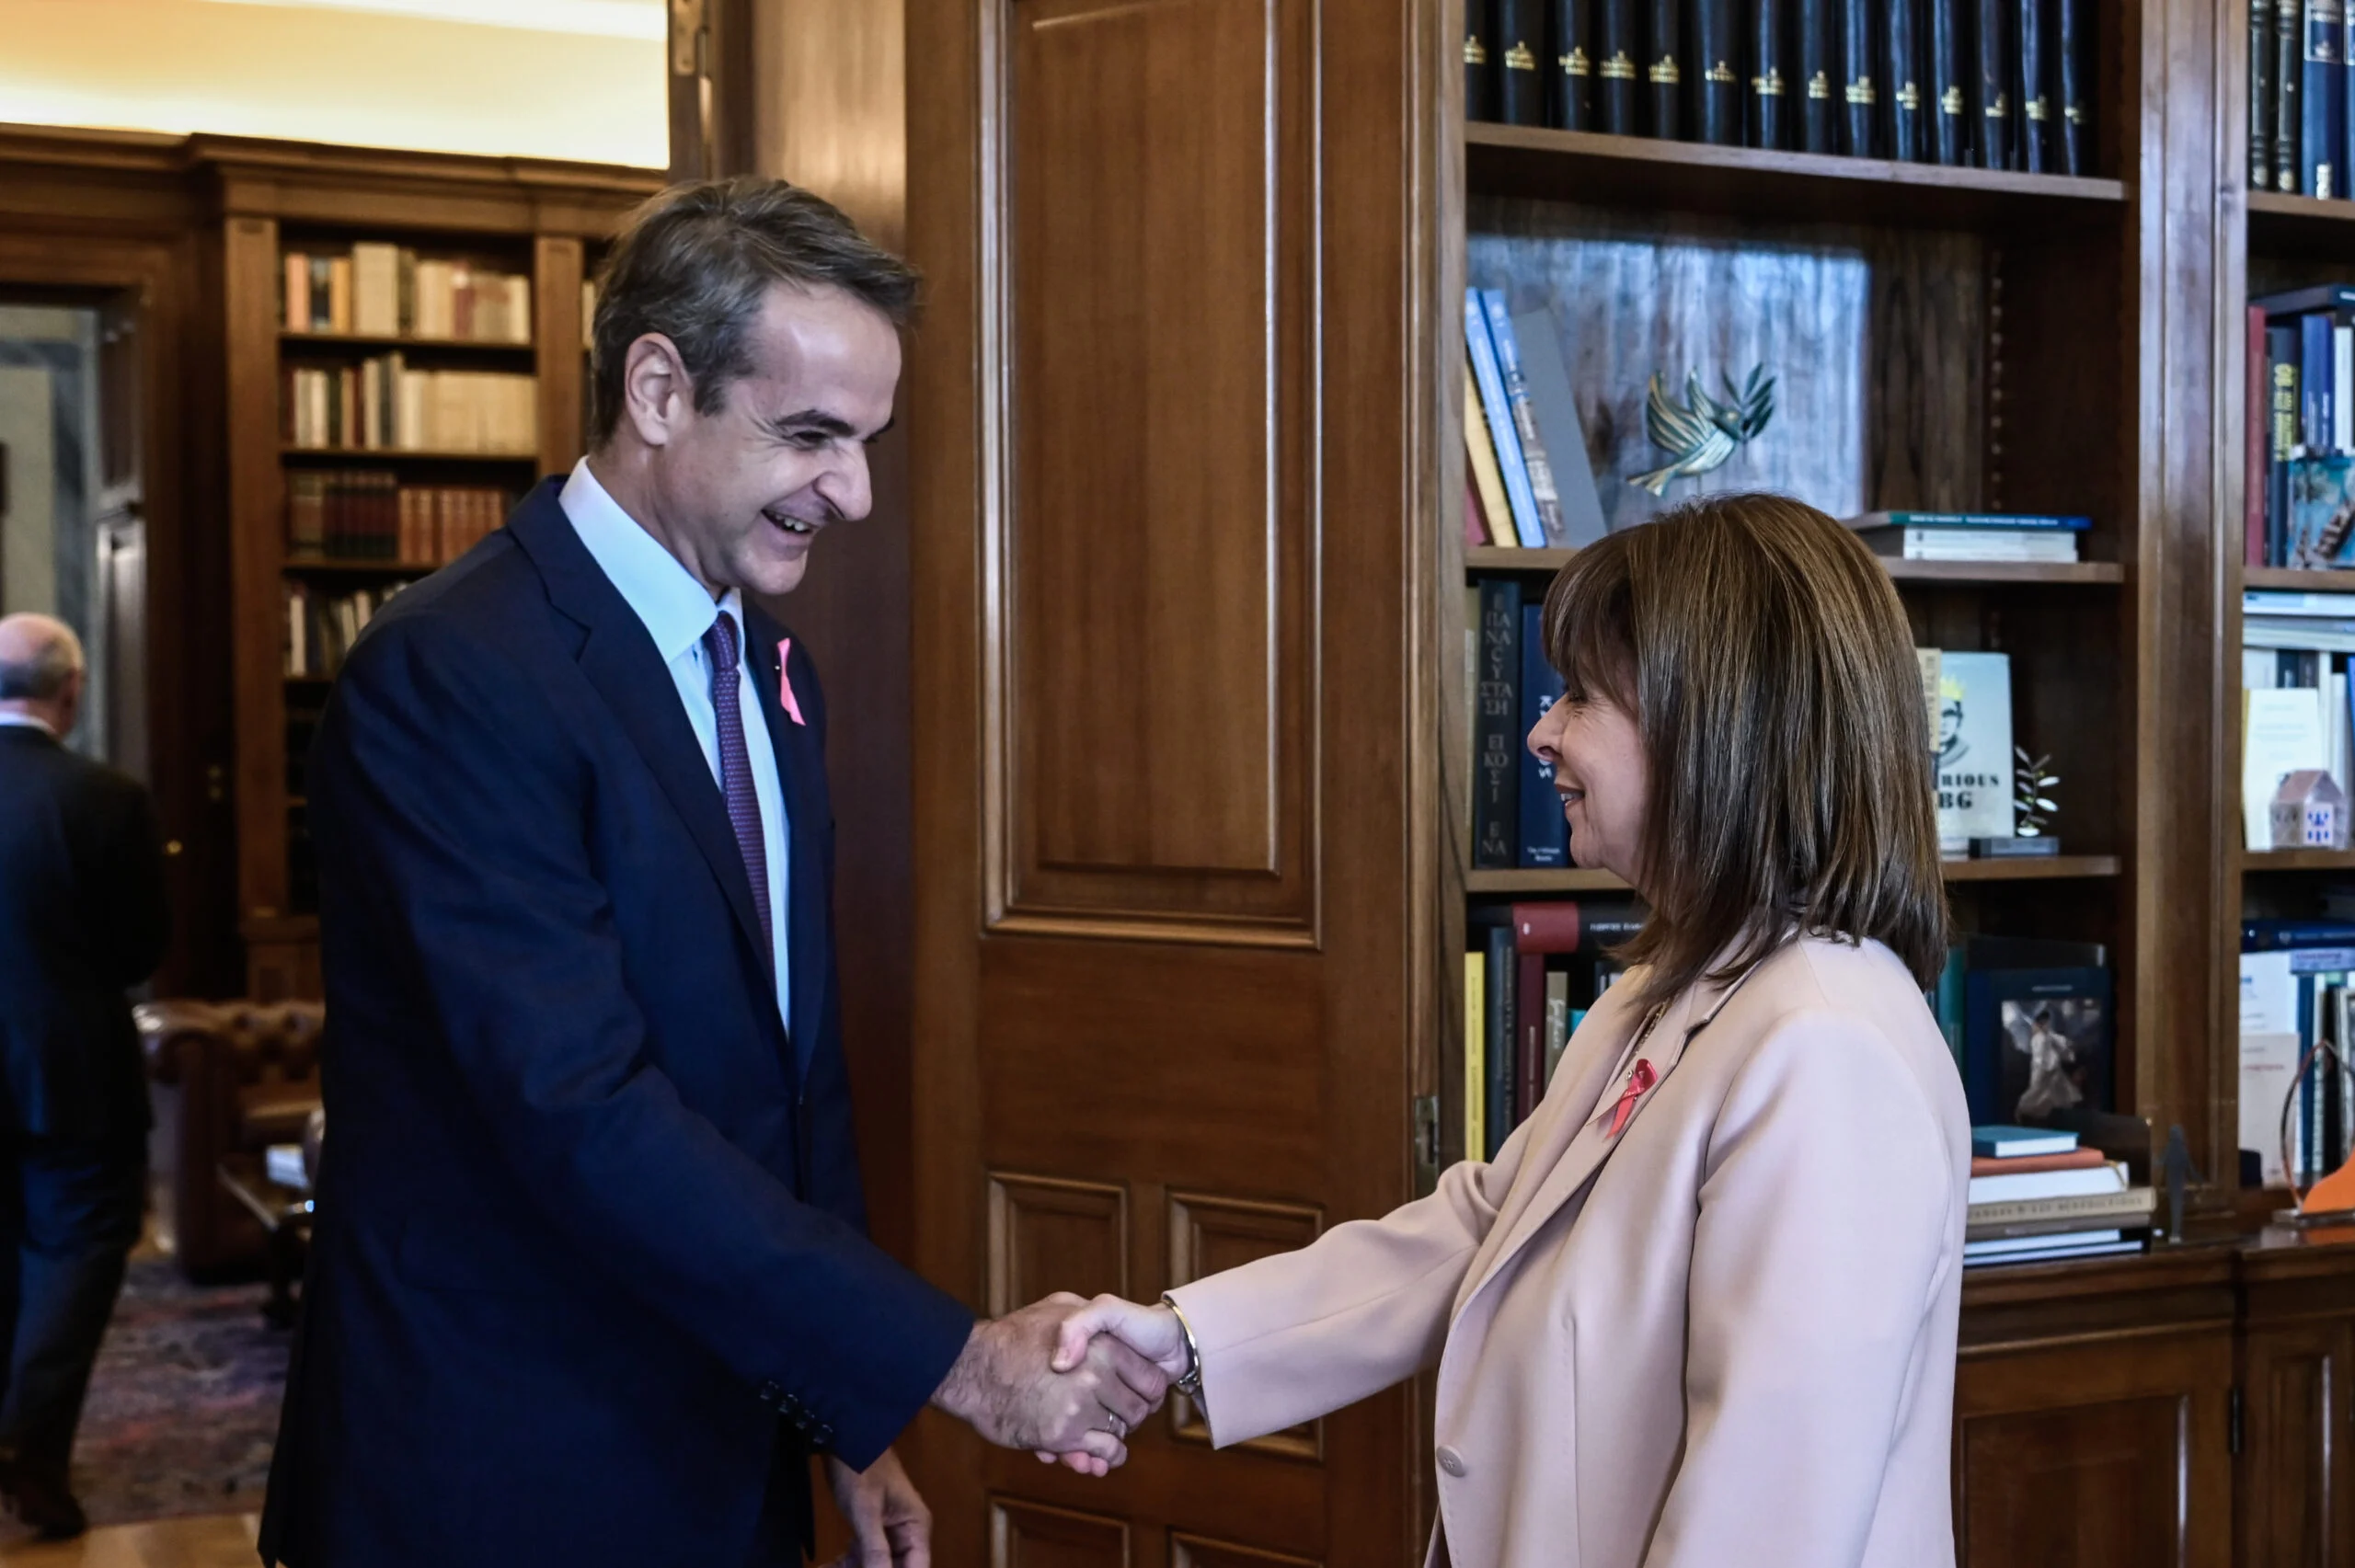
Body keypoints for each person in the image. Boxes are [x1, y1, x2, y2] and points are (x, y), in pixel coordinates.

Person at [258, 178, 1163, 1568]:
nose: (853, 493)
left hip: (721, 1441)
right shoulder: (452, 672)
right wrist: (955, 1361)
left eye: (865, 443)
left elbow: (794, 1087)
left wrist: (846, 1415)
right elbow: (579, 1111)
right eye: (810, 436)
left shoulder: (774, 668)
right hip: (504, 1467)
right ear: (659, 390)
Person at [1053, 494, 1971, 1568]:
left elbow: (1766, 1526)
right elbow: (1490, 1228)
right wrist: (1185, 1338)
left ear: (1717, 723)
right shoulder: (1672, 987)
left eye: (1580, 697)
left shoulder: (1824, 1048)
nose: (1540, 734)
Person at [0, 613, 169, 1540]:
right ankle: (28, 1443)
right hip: (72, 1070)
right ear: (70, 691)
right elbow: (140, 950)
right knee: (77, 1251)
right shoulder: (105, 798)